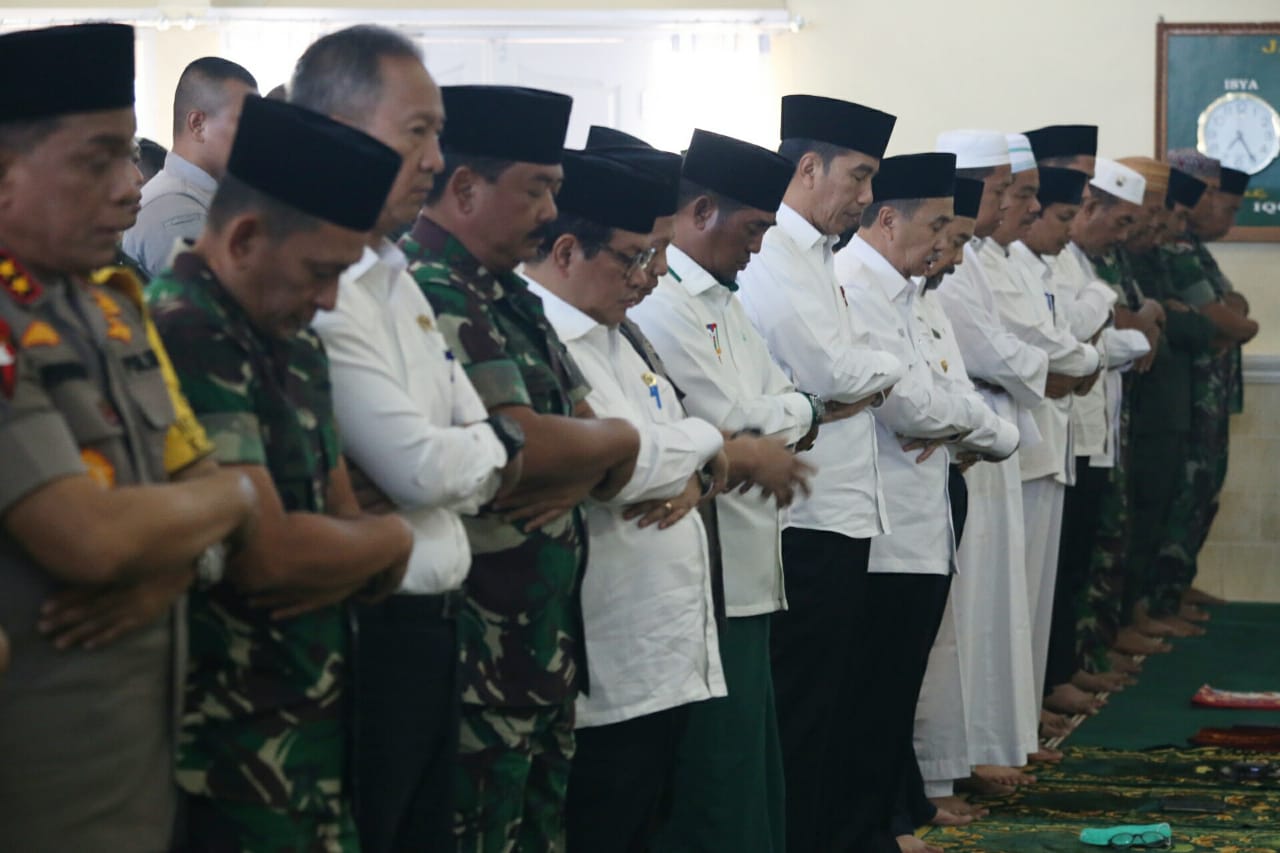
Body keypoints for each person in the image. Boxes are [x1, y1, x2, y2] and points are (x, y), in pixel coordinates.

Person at [0, 23, 258, 851]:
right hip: (44, 788)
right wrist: (235, 495)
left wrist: (179, 559)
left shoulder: (116, 308)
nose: (129, 186)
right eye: (96, 159)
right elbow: (89, 540)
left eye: (129, 156)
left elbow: (205, 483)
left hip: (153, 762)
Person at [149, 94, 413, 850]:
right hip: (227, 758)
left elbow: (329, 530)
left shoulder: (297, 341)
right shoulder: (187, 328)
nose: (330, 299)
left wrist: (357, 545)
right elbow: (271, 558)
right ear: (245, 237)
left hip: (319, 730)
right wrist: (396, 535)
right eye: (320, 272)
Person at [292, 27, 523, 852]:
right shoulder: (329, 284)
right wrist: (478, 452)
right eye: (415, 131)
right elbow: (426, 465)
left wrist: (478, 450)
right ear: (339, 127)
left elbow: (481, 449)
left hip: (441, 619)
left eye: (437, 131)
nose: (434, 158)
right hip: (370, 628)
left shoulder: (393, 275)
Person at [400, 84, 642, 850]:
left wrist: (598, 447)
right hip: (477, 654)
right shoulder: (429, 287)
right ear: (465, 187)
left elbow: (576, 438)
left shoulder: (510, 294)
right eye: (536, 189)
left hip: (542, 648)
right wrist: (613, 442)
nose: (549, 212)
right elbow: (528, 447)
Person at [521, 149, 734, 852]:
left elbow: (665, 447)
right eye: (636, 259)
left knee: (647, 819)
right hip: (606, 650)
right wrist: (704, 439)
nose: (652, 278)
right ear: (565, 249)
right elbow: (624, 467)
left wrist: (695, 460)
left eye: (658, 257)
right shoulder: (547, 334)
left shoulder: (624, 331)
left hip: (666, 647)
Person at [628, 128, 812, 853]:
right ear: (701, 210)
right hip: (704, 573)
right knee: (713, 777)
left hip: (751, 565)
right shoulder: (663, 304)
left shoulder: (727, 303)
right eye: (753, 228)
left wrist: (790, 416)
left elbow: (787, 402)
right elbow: (738, 418)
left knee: (747, 766)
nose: (760, 248)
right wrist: (787, 417)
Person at [735, 94, 905, 853]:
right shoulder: (773, 251)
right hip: (805, 515)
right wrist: (869, 377)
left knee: (832, 702)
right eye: (859, 177)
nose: (867, 199)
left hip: (842, 505)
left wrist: (865, 378)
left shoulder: (819, 257)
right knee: (802, 709)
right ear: (809, 167)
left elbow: (851, 375)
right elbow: (832, 369)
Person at [834, 153, 1018, 853]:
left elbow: (959, 403)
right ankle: (872, 828)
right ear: (888, 218)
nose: (948, 244)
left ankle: (891, 817)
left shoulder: (921, 296)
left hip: (925, 515)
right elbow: (910, 406)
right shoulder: (855, 285)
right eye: (938, 225)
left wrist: (969, 430)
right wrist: (958, 426)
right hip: (879, 525)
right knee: (870, 692)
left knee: (897, 684)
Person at [930, 130, 1049, 789]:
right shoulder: (949, 257)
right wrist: (1046, 367)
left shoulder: (973, 255)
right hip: (969, 438)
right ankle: (949, 764)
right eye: (1003, 189)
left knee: (995, 607)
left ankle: (986, 745)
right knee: (965, 614)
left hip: (990, 433)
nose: (1012, 204)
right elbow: (993, 350)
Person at [123, 56, 258, 276]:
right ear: (198, 125)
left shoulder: (205, 196)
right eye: (245, 123)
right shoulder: (174, 209)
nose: (254, 137)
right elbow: (211, 302)